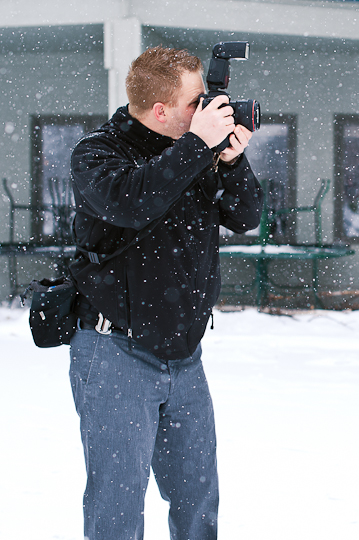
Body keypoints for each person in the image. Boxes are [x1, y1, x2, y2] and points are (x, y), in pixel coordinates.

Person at [69, 45, 263, 540]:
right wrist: (198, 147)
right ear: (160, 110)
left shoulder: (194, 151)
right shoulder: (97, 154)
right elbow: (135, 201)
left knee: (199, 500)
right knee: (118, 506)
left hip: (185, 358)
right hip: (116, 355)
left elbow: (245, 217)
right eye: (196, 102)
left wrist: (230, 161)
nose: (209, 112)